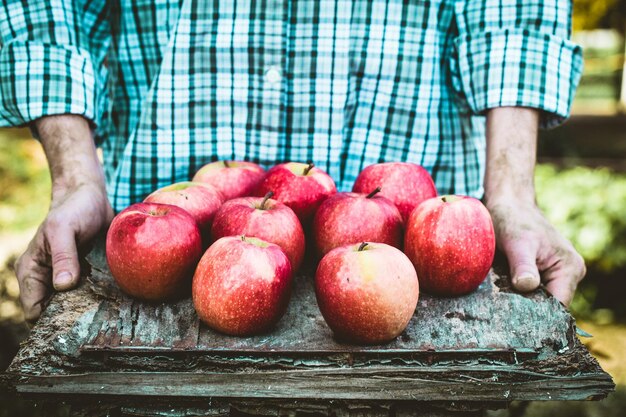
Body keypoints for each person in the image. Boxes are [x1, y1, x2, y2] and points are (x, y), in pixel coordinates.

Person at [0, 1, 586, 322]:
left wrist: (509, 192)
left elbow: (514, 18)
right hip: (156, 238)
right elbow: (44, 11)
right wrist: (76, 178)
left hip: (418, 254)